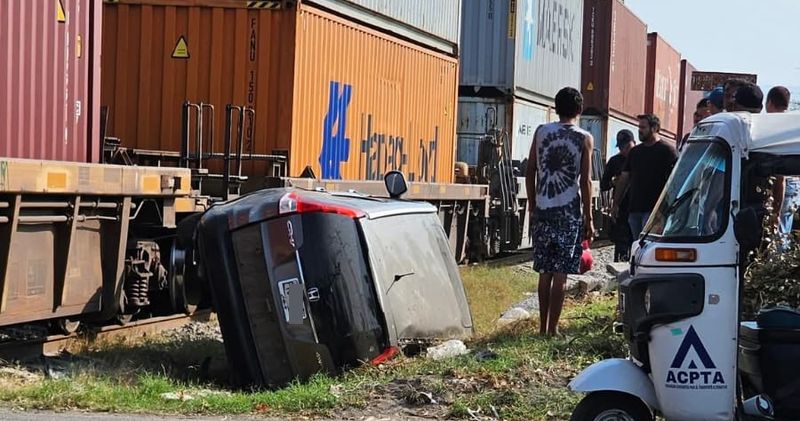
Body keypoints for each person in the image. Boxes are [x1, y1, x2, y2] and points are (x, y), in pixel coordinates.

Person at [526, 87, 594, 336]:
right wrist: (589, 217)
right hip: (568, 213)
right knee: (561, 273)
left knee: (544, 271)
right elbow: (585, 181)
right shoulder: (584, 137)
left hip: (543, 210)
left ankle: (542, 328)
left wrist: (533, 205)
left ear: (556, 108)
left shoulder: (542, 132)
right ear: (579, 110)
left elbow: (530, 169)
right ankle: (552, 330)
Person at [612, 114, 679, 239]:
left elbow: (675, 181)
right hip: (635, 209)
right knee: (637, 244)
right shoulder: (635, 152)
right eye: (639, 127)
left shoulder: (667, 151)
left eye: (643, 127)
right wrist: (616, 203)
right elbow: (624, 179)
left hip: (654, 210)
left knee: (648, 243)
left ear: (654, 128)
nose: (639, 130)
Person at [766, 86, 798, 247]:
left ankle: (773, 266)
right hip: (795, 184)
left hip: (782, 183)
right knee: (784, 230)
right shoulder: (793, 123)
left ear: (769, 102)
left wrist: (775, 211)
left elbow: (780, 177)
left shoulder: (772, 125)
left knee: (776, 230)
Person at [601, 130, 636, 261]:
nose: (624, 150)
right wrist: (613, 182)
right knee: (621, 243)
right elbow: (603, 185)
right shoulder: (615, 161)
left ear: (634, 143)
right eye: (621, 147)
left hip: (638, 206)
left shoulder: (640, 157)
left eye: (627, 146)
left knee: (636, 243)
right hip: (621, 206)